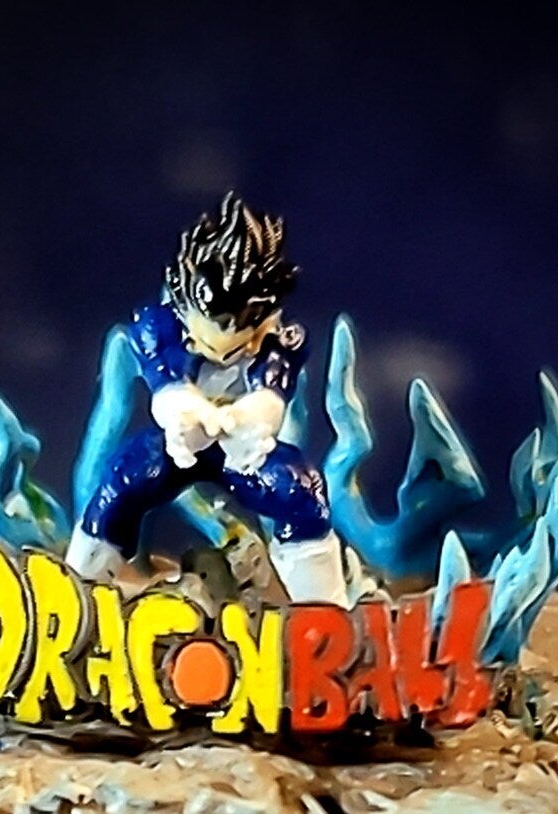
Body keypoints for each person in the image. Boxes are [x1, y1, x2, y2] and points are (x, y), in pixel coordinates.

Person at [65, 191, 349, 605]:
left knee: (300, 491)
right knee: (126, 476)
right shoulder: (158, 323)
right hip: (180, 442)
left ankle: (325, 611)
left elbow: (271, 397)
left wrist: (242, 421)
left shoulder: (280, 338)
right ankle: (75, 594)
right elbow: (167, 386)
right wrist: (187, 412)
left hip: (242, 449)